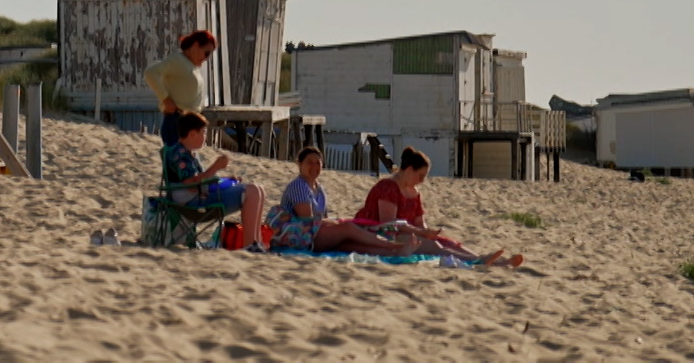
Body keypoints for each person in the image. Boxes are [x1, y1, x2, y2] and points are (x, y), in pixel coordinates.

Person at [354, 146, 524, 268]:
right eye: (420, 176)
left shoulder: (414, 192)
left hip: (405, 232)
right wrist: (422, 233)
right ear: (410, 170)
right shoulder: (388, 187)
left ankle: (489, 260)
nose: (422, 181)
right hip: (379, 233)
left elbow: (420, 222)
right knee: (434, 246)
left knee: (449, 243)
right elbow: (388, 224)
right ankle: (477, 261)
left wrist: (428, 232)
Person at [268, 146, 416, 256]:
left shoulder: (319, 189)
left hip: (313, 233)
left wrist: (333, 223)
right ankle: (392, 246)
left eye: (317, 163)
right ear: (299, 164)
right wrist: (336, 224)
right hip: (299, 235)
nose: (314, 167)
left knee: (347, 244)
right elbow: (307, 219)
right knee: (348, 229)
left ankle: (393, 252)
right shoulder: (298, 186)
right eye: (309, 162)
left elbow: (321, 219)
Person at [161, 111, 266, 252]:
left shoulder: (188, 153)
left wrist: (226, 179)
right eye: (203, 133)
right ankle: (249, 245)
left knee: (259, 189)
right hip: (193, 204)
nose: (205, 137)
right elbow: (192, 184)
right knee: (252, 191)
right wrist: (215, 167)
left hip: (201, 198)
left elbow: (201, 179)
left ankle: (256, 242)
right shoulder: (179, 154)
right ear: (192, 134)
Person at [145, 30, 217, 145]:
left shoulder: (191, 65)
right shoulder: (177, 61)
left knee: (186, 161)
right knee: (178, 160)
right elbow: (150, 73)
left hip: (189, 123)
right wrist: (165, 98)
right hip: (177, 121)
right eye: (206, 53)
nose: (207, 58)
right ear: (196, 46)